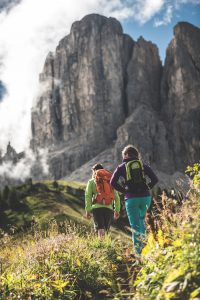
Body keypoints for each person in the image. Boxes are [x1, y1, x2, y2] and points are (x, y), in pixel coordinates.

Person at [110, 145, 158, 254]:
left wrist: (124, 191)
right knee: (142, 222)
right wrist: (147, 187)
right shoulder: (143, 166)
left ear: (126, 155)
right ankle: (148, 249)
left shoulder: (121, 167)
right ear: (136, 155)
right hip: (145, 198)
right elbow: (155, 179)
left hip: (131, 199)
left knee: (135, 226)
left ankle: (139, 254)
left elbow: (112, 182)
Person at [85, 163, 121, 238]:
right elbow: (116, 197)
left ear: (94, 172)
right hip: (109, 208)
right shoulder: (110, 182)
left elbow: (88, 196)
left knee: (100, 229)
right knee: (105, 230)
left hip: (97, 208)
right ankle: (104, 245)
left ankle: (100, 246)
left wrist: (88, 210)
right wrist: (117, 210)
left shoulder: (91, 182)